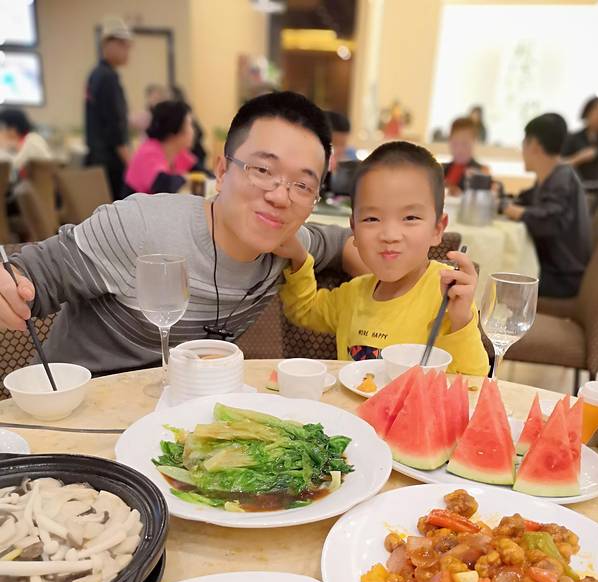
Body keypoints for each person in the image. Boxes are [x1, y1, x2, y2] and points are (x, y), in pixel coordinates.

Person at [0, 91, 365, 375]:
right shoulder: (139, 226)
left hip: (174, 418)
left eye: (302, 185)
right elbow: (33, 275)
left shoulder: (288, 244)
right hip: (73, 412)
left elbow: (348, 244)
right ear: (221, 172)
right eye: (262, 170)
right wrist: (11, 285)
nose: (280, 197)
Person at [278, 141, 489, 375]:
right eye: (372, 219)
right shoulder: (353, 294)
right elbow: (304, 310)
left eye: (410, 218)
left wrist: (462, 320)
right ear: (354, 230)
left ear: (437, 229)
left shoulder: (445, 296)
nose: (389, 235)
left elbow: (475, 380)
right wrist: (299, 258)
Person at [504, 113, 592, 299]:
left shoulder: (562, 178)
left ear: (534, 145)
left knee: (495, 273)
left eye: (524, 143)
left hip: (562, 277)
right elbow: (526, 201)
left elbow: (548, 221)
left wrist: (509, 209)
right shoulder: (552, 177)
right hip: (553, 270)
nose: (522, 151)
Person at [84, 16, 132, 200]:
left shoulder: (96, 74)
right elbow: (114, 126)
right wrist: (129, 161)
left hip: (97, 159)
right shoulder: (108, 78)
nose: (128, 52)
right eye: (124, 46)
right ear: (109, 44)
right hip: (110, 163)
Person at [124, 101, 196, 195]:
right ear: (174, 131)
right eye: (190, 125)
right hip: (134, 203)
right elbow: (163, 185)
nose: (193, 131)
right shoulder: (149, 151)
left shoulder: (178, 152)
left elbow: (203, 173)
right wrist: (186, 178)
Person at [0, 109, 53, 175]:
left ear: (13, 128)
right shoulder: (27, 140)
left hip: (43, 180)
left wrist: (2, 148)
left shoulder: (32, 139)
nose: (3, 131)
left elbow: (12, 165)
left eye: (3, 128)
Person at [443, 117, 486, 195]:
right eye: (455, 143)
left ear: (474, 142)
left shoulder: (482, 172)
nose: (459, 149)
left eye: (465, 144)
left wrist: (462, 196)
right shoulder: (440, 170)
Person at [562, 96, 598, 185]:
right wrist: (578, 158)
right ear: (587, 113)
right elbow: (559, 167)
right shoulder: (572, 138)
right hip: (579, 188)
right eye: (597, 111)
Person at [171, 86, 209, 174]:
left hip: (197, 152)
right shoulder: (155, 152)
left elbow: (203, 172)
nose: (192, 131)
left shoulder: (182, 153)